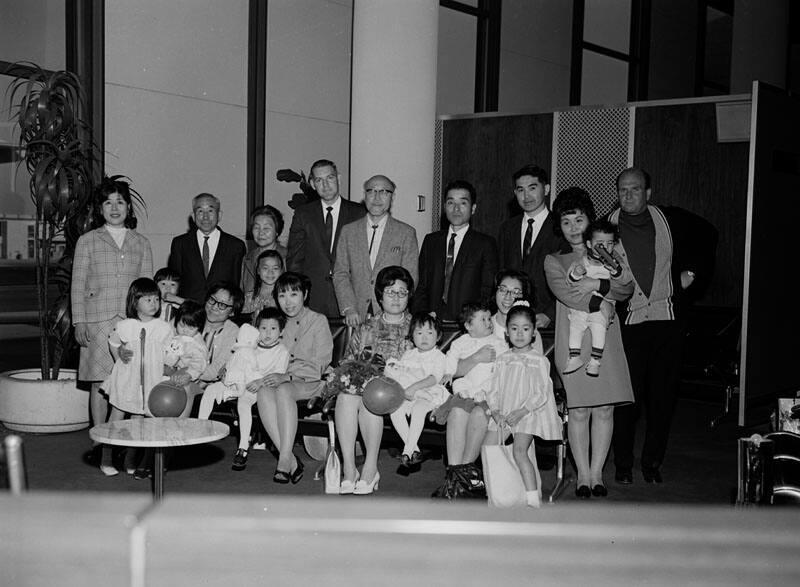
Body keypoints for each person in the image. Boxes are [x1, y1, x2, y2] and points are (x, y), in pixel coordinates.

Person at [608, 167, 717, 485]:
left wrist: (692, 275)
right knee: (628, 399)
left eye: (635, 189)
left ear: (648, 193)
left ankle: (652, 462)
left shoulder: (671, 219)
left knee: (662, 398)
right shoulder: (608, 225)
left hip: (667, 322)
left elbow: (709, 234)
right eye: (623, 190)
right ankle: (623, 465)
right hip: (629, 324)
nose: (628, 195)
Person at [544, 187, 634, 498]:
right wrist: (602, 302)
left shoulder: (607, 248)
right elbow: (567, 295)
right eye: (565, 221)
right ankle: (582, 473)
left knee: (606, 408)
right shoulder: (554, 260)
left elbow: (625, 288)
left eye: (578, 220)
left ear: (588, 220)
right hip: (573, 338)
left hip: (606, 338)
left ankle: (598, 473)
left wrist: (596, 284)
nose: (572, 228)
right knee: (580, 410)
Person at [72, 177, 153, 437]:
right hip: (97, 321)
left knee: (131, 383)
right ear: (100, 209)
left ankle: (126, 442)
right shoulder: (87, 241)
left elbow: (147, 287)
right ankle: (99, 442)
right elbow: (78, 284)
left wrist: (147, 323)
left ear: (128, 207)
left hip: (131, 322)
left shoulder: (141, 242)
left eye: (120, 202)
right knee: (100, 383)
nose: (114, 207)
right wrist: (79, 321)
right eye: (108, 202)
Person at [327, 266, 414, 495]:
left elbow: (423, 365)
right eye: (390, 291)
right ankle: (349, 467)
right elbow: (348, 360)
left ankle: (370, 467)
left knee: (371, 397)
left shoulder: (416, 328)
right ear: (380, 295)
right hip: (365, 387)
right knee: (346, 396)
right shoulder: (367, 326)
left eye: (402, 292)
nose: (396, 297)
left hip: (400, 388)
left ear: (409, 296)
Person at [254, 272, 333, 484]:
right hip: (283, 379)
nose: (288, 302)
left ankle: (283, 461)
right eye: (282, 296)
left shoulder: (318, 320)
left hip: (314, 381)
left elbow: (320, 364)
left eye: (294, 294)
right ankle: (289, 457)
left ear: (305, 294)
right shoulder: (276, 323)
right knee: (264, 391)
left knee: (283, 389)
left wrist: (287, 375)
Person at [484, 301, 562, 508]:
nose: (519, 334)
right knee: (488, 447)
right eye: (514, 328)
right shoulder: (502, 359)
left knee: (520, 451)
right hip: (503, 413)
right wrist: (496, 411)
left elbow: (541, 392)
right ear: (506, 333)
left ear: (534, 332)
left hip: (527, 413)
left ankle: (533, 499)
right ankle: (498, 495)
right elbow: (493, 389)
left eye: (525, 329)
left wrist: (522, 411)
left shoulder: (538, 360)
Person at [198, 308, 290, 471]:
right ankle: (201, 429)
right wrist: (225, 370)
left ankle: (243, 447)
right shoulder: (250, 345)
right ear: (257, 330)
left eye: (273, 329)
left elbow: (278, 376)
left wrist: (260, 381)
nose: (267, 333)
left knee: (243, 403)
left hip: (260, 388)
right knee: (211, 390)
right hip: (238, 381)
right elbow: (236, 360)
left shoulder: (281, 351)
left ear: (281, 332)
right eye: (263, 328)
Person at [97, 278, 173, 476]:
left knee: (138, 423)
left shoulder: (163, 328)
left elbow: (169, 352)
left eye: (156, 299)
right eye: (148, 299)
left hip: (150, 384)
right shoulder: (125, 326)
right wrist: (119, 356)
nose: (153, 303)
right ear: (135, 302)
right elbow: (113, 342)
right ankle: (106, 458)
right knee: (116, 419)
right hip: (125, 381)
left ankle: (130, 459)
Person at [333, 174, 418, 327]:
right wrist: (349, 308)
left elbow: (410, 277)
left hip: (393, 316)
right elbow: (340, 273)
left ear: (392, 197)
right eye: (371, 191)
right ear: (364, 196)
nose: (377, 197)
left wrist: (395, 306)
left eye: (384, 192)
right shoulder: (348, 231)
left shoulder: (406, 233)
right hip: (356, 315)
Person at [286, 159, 365, 317]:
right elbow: (295, 260)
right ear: (313, 185)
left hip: (350, 298)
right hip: (314, 298)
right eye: (319, 180)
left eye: (330, 178)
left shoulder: (359, 213)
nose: (325, 185)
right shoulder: (303, 214)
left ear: (339, 179)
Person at [414, 180, 498, 321]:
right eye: (451, 202)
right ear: (445, 207)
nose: (456, 209)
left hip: (468, 323)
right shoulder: (431, 241)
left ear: (473, 208)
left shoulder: (485, 244)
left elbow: (488, 289)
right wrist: (423, 315)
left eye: (463, 203)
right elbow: (422, 285)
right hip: (432, 322)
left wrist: (473, 318)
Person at [497, 165, 565, 329]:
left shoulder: (561, 226)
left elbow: (569, 279)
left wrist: (550, 314)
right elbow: (501, 272)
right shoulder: (507, 228)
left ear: (546, 189)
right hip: (511, 319)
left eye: (532, 188)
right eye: (520, 190)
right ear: (515, 193)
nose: (526, 196)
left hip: (547, 321)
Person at [563, 220, 632, 377]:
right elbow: (570, 282)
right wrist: (577, 273)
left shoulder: (616, 261)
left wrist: (615, 271)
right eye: (599, 243)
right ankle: (574, 356)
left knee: (599, 328)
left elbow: (626, 282)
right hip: (583, 305)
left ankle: (595, 361)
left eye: (609, 243)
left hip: (602, 308)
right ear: (589, 243)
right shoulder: (582, 260)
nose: (605, 247)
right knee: (575, 326)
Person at [385, 311, 449, 474]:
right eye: (419, 333)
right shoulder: (409, 354)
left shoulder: (439, 356)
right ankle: (414, 449)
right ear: (412, 336)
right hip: (408, 393)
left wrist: (414, 388)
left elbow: (434, 378)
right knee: (395, 411)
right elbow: (401, 373)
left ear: (438, 335)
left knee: (419, 409)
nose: (425, 337)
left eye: (430, 332)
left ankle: (407, 450)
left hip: (429, 393)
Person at [168, 193, 246, 304]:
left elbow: (237, 285)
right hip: (188, 311)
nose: (205, 217)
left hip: (221, 311)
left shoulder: (236, 246)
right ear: (194, 216)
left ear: (219, 215)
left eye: (210, 211)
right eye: (200, 211)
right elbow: (175, 282)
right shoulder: (180, 244)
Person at [183, 282, 245, 417]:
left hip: (210, 384)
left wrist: (187, 373)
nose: (214, 307)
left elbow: (216, 369)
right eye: (212, 300)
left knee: (184, 389)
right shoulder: (192, 318)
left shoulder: (233, 332)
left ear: (232, 311)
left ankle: (180, 432)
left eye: (222, 305)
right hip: (180, 373)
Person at [241, 205, 287, 296]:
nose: (261, 233)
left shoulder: (288, 257)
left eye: (266, 228)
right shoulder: (247, 259)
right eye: (256, 227)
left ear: (277, 231)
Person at [162, 300, 208, 387]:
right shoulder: (172, 331)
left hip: (185, 377)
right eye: (182, 325)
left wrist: (189, 374)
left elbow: (199, 363)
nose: (185, 330)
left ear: (199, 327)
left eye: (191, 328)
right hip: (167, 369)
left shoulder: (197, 344)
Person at [242, 249, 283, 320]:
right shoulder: (248, 298)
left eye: (275, 268)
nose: (270, 272)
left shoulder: (284, 297)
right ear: (258, 270)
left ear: (281, 271)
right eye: (265, 268)